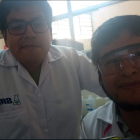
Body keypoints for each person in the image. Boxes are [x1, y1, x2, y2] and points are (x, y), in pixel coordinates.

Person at [0, 0, 105, 139]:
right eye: (17, 26)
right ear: (5, 37)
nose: (29, 34)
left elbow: (115, 87)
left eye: (38, 24)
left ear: (50, 31)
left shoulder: (72, 59)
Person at [80, 15, 140, 139]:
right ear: (99, 74)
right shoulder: (91, 126)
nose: (128, 71)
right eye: (112, 61)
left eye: (138, 54)